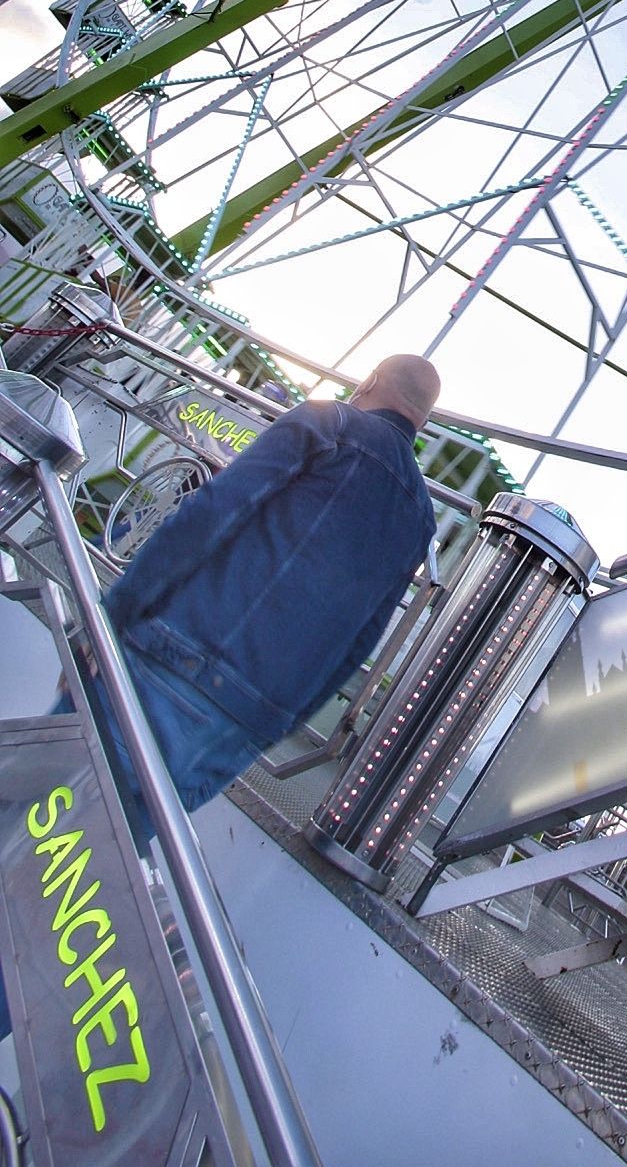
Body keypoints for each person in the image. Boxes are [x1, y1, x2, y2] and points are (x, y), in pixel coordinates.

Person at [0, 355, 440, 1045]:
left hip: (165, 665)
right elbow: (360, 647)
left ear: (375, 382)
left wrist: (109, 618)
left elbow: (212, 512)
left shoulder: (329, 423)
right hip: (238, 729)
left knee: (20, 817)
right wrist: (273, 727)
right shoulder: (418, 518)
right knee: (74, 884)